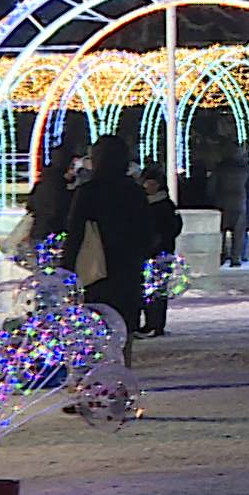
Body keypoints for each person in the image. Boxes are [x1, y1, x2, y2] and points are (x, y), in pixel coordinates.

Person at [62, 135, 153, 367]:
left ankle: (94, 387)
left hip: (96, 270)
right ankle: (120, 381)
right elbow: (147, 232)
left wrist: (66, 269)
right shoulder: (134, 192)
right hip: (128, 269)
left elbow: (75, 234)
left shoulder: (89, 191)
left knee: (94, 329)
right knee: (123, 329)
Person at [138, 170, 184, 338]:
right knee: (146, 290)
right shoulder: (142, 203)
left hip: (160, 253)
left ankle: (156, 324)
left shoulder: (165, 205)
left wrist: (160, 240)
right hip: (146, 252)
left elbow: (173, 227)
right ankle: (149, 322)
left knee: (157, 290)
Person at [24, 143, 79, 247]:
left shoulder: (42, 183)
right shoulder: (62, 187)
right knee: (54, 256)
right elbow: (64, 211)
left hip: (38, 232)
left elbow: (30, 206)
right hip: (55, 234)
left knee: (40, 258)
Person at [211, 152, 249, 268]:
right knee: (238, 234)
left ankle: (222, 255)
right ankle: (235, 258)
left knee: (220, 232)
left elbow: (211, 186)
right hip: (239, 203)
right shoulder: (244, 169)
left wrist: (214, 199)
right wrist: (244, 197)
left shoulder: (219, 169)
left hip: (222, 203)